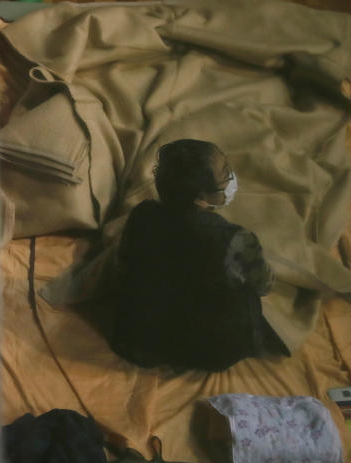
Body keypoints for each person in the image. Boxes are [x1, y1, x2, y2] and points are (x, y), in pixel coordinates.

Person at [109, 139, 288, 371]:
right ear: (200, 197)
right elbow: (263, 285)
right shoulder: (235, 239)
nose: (231, 176)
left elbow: (124, 266)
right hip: (209, 352)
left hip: (138, 342)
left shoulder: (141, 215)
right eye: (225, 172)